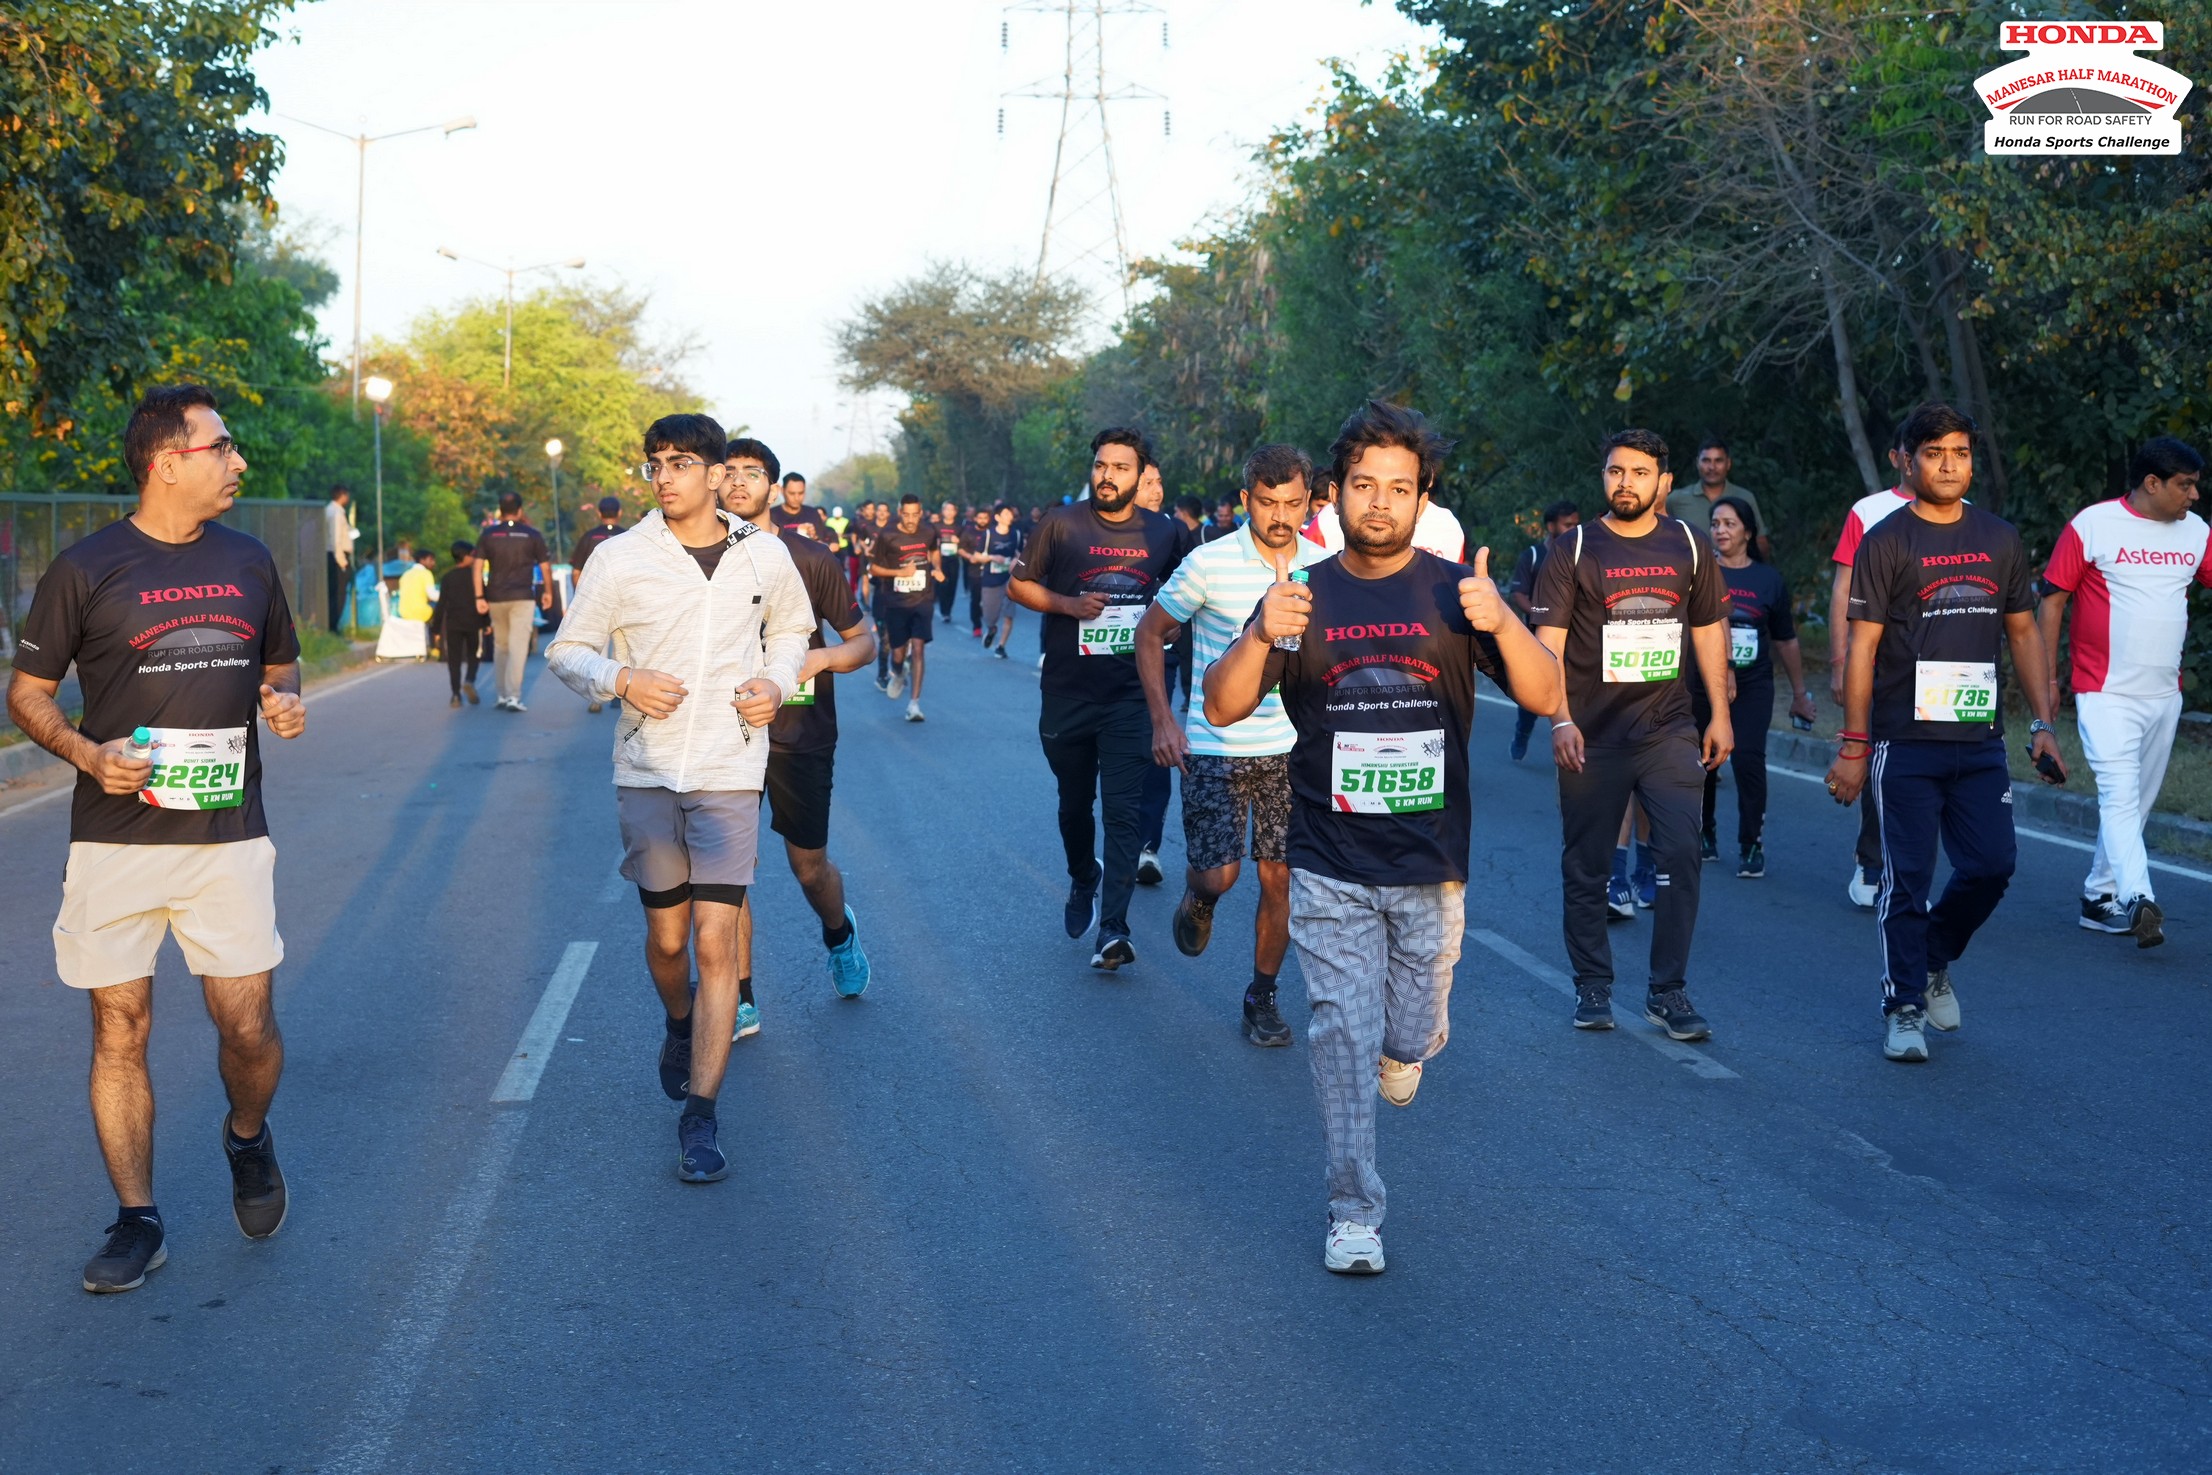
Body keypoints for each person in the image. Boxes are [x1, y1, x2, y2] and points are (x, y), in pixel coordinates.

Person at [1204, 400, 1559, 1274]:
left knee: (1408, 1030)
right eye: (1364, 485)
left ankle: (1408, 1047)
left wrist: (1503, 620)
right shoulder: (1301, 595)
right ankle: (1353, 1210)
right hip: (1329, 858)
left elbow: (1549, 694)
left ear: (1422, 497)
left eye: (1399, 488)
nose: (1380, 502)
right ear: (1335, 494)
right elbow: (1221, 704)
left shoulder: (1456, 591)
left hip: (1432, 861)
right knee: (1340, 1030)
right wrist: (1262, 631)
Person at [7, 384, 308, 1293]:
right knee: (119, 1027)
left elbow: (282, 663)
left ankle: (246, 1136)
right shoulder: (85, 567)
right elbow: (27, 693)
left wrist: (284, 701)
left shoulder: (250, 559)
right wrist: (85, 753)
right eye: (223, 447)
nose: (238, 461)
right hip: (114, 840)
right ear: (169, 461)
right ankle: (137, 1217)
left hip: (227, 836)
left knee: (246, 1023)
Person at [546, 413, 813, 1180]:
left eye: (680, 462)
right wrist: (621, 677)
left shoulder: (763, 553)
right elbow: (568, 649)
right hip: (649, 769)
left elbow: (792, 630)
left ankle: (701, 1115)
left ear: (716, 474)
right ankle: (678, 1017)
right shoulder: (621, 557)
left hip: (731, 767)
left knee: (714, 941)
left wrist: (776, 682)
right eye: (654, 463)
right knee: (668, 943)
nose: (663, 476)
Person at [1825, 403, 2066, 1062]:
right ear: (1908, 461)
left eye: (1960, 452)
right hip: (1904, 741)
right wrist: (1854, 744)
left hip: (1979, 741)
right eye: (1934, 453)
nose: (1950, 465)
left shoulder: (2000, 538)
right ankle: (1903, 1006)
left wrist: (2041, 722)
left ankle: (1933, 953)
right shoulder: (1887, 540)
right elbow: (1863, 648)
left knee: (1992, 865)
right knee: (1907, 878)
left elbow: (2023, 632)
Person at [1529, 428, 1732, 1040]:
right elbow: (1548, 645)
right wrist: (1560, 718)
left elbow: (1708, 629)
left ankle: (1668, 991)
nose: (1626, 483)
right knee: (1587, 865)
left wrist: (1719, 713)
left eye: (1640, 473)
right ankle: (1592, 983)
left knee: (1681, 853)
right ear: (1604, 476)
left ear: (1663, 482)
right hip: (1591, 734)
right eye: (1616, 471)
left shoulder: (1690, 544)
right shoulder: (1574, 548)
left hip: (1668, 728)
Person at [1137, 443, 1323, 1046]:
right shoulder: (1208, 563)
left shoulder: (1326, 566)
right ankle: (1199, 897)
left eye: (1292, 503)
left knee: (1281, 878)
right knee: (1220, 875)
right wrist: (1164, 721)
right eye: (1267, 502)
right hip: (1214, 743)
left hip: (1291, 749)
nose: (1280, 516)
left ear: (1309, 502)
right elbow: (1150, 632)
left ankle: (1260, 996)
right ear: (1246, 501)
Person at [1009, 427, 1188, 970]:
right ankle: (1083, 874)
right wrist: (1069, 605)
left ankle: (1113, 929)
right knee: (1073, 804)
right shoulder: (1061, 524)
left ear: (1141, 475)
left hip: (1130, 695)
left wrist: (1171, 626)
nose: (1107, 476)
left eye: (1120, 467)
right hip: (1068, 692)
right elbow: (1019, 585)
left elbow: (1183, 599)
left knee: (1123, 812)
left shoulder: (1164, 532)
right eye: (1101, 466)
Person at [723, 438, 878, 1032]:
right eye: (728, 471)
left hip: (800, 732)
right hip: (725, 733)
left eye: (751, 472)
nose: (738, 481)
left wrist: (819, 659)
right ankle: (739, 994)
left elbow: (863, 642)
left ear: (773, 485)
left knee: (808, 867)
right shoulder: (696, 561)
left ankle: (839, 933)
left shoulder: (810, 557)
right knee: (727, 870)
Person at [2037, 434, 2207, 949]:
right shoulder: (2094, 524)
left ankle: (2099, 897)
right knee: (2119, 794)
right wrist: (2047, 681)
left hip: (2164, 695)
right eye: (2186, 485)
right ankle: (2139, 898)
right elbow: (2051, 602)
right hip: (2104, 691)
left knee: (2136, 804)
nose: (2195, 495)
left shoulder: (2197, 531)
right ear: (2152, 483)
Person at [1697, 497, 1814, 876]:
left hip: (1753, 684)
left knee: (1748, 759)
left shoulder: (1768, 580)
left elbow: (1786, 639)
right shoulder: (1702, 572)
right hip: (1703, 683)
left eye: (1729, 524)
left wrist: (1799, 694)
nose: (1720, 530)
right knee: (1705, 759)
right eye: (1715, 524)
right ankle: (1704, 830)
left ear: (1747, 532)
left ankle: (1751, 843)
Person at [1829, 435, 1914, 908]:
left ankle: (1910, 869)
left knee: (1927, 772)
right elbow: (1844, 589)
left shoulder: (1968, 513)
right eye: (1922, 451)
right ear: (1898, 457)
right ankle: (1872, 862)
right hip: (1879, 664)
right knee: (1879, 761)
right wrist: (1840, 662)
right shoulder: (1869, 511)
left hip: (1942, 669)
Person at [1505, 500, 1581, 760]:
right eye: (1567, 524)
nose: (1573, 529)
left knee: (1574, 692)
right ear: (1551, 526)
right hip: (1535, 639)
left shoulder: (1582, 555)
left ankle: (1576, 745)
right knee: (1535, 693)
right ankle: (1522, 733)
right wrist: (1546, 617)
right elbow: (1518, 594)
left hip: (1573, 640)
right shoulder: (1533, 555)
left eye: (1576, 524)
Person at [473, 491, 552, 712]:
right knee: (518, 647)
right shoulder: (531, 534)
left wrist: (479, 596)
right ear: (520, 510)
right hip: (522, 597)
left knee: (500, 646)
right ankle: (513, 697)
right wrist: (548, 592)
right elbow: (545, 566)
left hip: (495, 597)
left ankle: (500, 694)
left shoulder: (489, 534)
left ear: (500, 510)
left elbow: (477, 567)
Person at [872, 495, 943, 721]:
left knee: (919, 649)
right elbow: (874, 568)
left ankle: (914, 704)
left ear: (920, 513)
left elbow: (934, 551)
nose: (911, 520)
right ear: (900, 513)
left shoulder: (929, 531)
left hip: (923, 598)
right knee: (898, 653)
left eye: (915, 515)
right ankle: (899, 671)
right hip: (896, 601)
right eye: (907, 515)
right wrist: (899, 573)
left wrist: (937, 567)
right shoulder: (887, 535)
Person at [1665, 438, 1772, 559]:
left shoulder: (1744, 497)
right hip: (1690, 569)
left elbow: (1760, 543)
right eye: (1706, 460)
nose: (1712, 467)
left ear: (1728, 463)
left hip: (1734, 568)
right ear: (1697, 463)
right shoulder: (1676, 500)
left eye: (1718, 460)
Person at [973, 503, 1024, 656]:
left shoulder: (1016, 534)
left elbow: (1021, 555)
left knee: (1009, 615)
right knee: (989, 616)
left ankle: (1001, 646)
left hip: (1010, 581)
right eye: (1006, 514)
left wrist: (1016, 561)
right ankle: (991, 628)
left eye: (1011, 514)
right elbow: (977, 556)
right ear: (997, 517)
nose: (1010, 516)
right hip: (991, 579)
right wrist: (992, 557)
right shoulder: (988, 534)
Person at [438, 541, 485, 707]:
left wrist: (435, 629)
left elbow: (441, 604)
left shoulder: (447, 577)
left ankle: (455, 694)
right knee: (474, 655)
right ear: (466, 556)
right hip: (474, 622)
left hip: (453, 624)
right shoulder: (475, 576)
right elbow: (483, 600)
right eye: (473, 555)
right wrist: (486, 623)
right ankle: (469, 680)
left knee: (454, 660)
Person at [322, 485, 357, 632]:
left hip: (334, 555)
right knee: (338, 593)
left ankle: (332, 624)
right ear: (342, 495)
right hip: (338, 557)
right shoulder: (336, 513)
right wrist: (342, 562)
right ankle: (333, 625)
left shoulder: (330, 510)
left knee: (335, 592)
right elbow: (335, 539)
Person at [771, 472, 829, 542]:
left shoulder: (813, 514)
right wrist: (799, 533)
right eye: (792, 493)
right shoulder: (771, 515)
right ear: (782, 491)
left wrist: (814, 537)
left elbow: (822, 545)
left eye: (801, 493)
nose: (797, 498)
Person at [963, 504, 992, 636]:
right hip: (974, 571)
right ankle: (976, 625)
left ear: (988, 519)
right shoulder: (969, 532)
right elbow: (960, 548)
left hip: (990, 570)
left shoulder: (992, 532)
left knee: (988, 600)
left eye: (985, 518)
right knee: (975, 599)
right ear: (975, 519)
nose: (982, 520)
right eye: (980, 518)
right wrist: (970, 557)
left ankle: (990, 624)